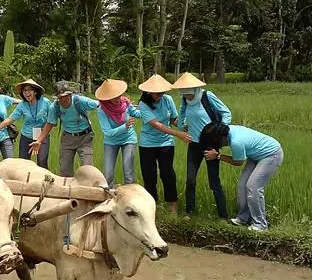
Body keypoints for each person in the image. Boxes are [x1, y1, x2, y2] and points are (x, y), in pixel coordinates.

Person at [200, 122, 284, 231]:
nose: (219, 146)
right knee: (243, 185)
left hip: (271, 154)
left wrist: (218, 156)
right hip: (255, 155)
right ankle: (243, 218)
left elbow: (238, 162)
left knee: (253, 186)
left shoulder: (236, 141)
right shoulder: (228, 130)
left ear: (220, 138)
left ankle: (261, 224)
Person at [171, 72, 232, 221]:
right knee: (190, 179)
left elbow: (226, 112)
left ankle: (223, 216)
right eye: (185, 95)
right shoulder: (185, 101)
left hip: (211, 144)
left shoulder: (207, 96)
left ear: (195, 90)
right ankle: (189, 212)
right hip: (194, 144)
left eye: (189, 95)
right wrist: (182, 126)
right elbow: (182, 114)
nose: (188, 98)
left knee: (214, 181)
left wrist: (220, 129)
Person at [137, 74, 192, 214]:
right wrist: (178, 134)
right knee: (150, 176)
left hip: (166, 143)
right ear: (149, 91)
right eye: (157, 93)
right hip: (147, 144)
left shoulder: (167, 99)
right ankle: (152, 207)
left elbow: (173, 119)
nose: (160, 95)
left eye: (162, 92)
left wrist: (184, 127)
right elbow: (157, 124)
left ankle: (172, 206)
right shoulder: (143, 105)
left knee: (168, 174)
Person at [30, 80, 98, 177]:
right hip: (68, 138)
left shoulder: (80, 101)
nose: (66, 99)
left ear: (71, 94)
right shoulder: (55, 107)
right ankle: (67, 190)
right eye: (62, 97)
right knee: (65, 170)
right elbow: (49, 123)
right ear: (58, 98)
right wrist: (39, 140)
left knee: (88, 170)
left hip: (85, 138)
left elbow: (99, 105)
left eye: (68, 95)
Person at [0, 79, 51, 169]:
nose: (26, 93)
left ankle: (43, 182)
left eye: (29, 90)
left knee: (42, 162)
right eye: (24, 91)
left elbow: (51, 120)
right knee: (23, 163)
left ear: (35, 91)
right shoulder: (22, 105)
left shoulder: (46, 102)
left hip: (42, 136)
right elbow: (10, 119)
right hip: (26, 137)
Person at [95, 79, 141, 187]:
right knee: (108, 173)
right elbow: (108, 132)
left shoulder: (125, 102)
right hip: (111, 141)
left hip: (128, 139)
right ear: (107, 98)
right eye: (113, 97)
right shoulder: (101, 109)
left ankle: (129, 197)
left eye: (118, 95)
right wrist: (124, 126)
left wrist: (148, 110)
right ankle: (109, 197)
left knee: (128, 170)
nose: (117, 98)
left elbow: (135, 113)